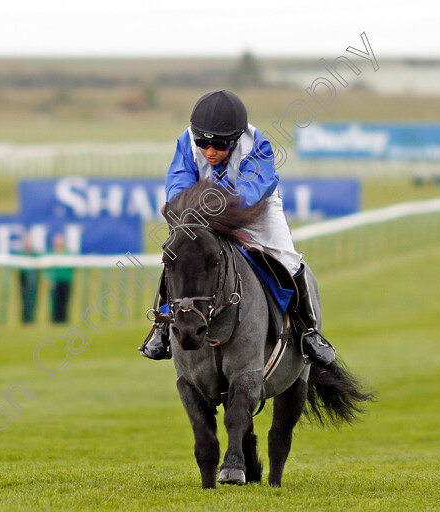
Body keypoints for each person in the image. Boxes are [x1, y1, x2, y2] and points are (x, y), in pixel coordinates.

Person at [139, 90, 334, 365]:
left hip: (255, 209)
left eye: (218, 146)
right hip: (200, 210)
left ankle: (309, 331)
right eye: (203, 145)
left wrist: (219, 212)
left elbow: (250, 189)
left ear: (235, 139)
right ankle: (161, 326)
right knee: (178, 256)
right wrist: (186, 211)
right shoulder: (186, 141)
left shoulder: (256, 144)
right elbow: (178, 179)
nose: (209, 153)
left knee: (288, 260)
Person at [47, 233, 74, 324]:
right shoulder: (51, 253)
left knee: (65, 301)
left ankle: (63, 320)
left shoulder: (68, 254)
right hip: (55, 281)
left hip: (66, 280)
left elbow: (72, 268)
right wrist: (49, 279)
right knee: (55, 302)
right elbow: (48, 269)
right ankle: (55, 321)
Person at [17, 233, 41, 324]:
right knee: (24, 298)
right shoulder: (21, 252)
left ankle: (31, 318)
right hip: (24, 277)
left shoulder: (35, 253)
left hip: (33, 277)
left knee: (33, 299)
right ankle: (25, 319)